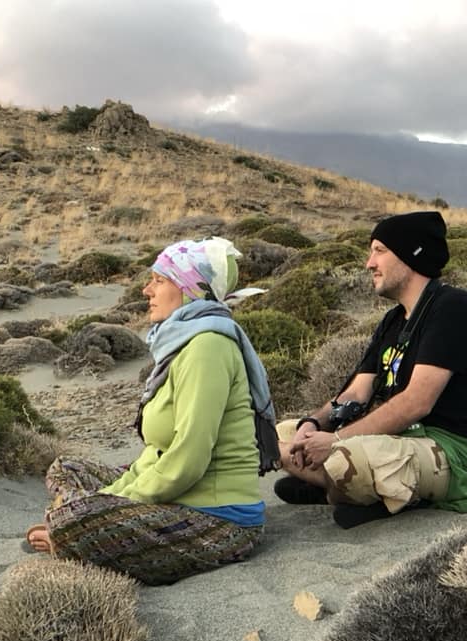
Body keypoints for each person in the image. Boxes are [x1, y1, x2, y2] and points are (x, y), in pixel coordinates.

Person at [25, 236, 279, 584]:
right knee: (65, 469)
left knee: (73, 517)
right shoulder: (182, 343)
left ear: (190, 290)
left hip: (218, 519)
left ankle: (73, 535)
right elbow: (156, 455)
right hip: (175, 498)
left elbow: (187, 461)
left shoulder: (208, 348)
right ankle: (77, 528)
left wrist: (108, 505)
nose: (147, 290)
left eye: (159, 280)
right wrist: (109, 499)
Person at [275, 211, 467, 528]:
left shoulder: (453, 309)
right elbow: (356, 393)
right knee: (283, 433)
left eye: (380, 250)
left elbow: (416, 403)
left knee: (347, 459)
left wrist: (334, 440)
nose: (369, 263)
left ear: (411, 254)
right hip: (402, 438)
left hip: (457, 450)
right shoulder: (393, 320)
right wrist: (312, 424)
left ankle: (339, 486)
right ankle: (348, 489)